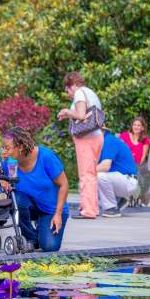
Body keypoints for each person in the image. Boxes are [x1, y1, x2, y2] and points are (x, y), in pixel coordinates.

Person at [2, 127, 69, 252]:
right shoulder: (10, 162)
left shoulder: (46, 157)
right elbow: (5, 180)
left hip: (52, 209)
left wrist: (58, 214)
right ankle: (31, 237)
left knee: (49, 246)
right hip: (30, 206)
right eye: (3, 148)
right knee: (15, 198)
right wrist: (3, 180)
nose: (4, 152)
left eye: (7, 148)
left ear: (21, 146)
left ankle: (42, 227)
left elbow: (64, 185)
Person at [57, 71, 103, 219]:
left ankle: (88, 211)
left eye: (68, 88)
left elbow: (81, 115)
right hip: (96, 137)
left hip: (86, 139)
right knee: (91, 174)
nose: (68, 92)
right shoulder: (90, 92)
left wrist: (66, 111)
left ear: (73, 85)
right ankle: (92, 208)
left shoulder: (79, 93)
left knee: (86, 175)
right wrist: (70, 113)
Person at [97, 129, 139, 218]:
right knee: (88, 182)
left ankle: (111, 208)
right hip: (122, 180)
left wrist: (85, 172)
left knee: (99, 176)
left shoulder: (109, 140)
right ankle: (120, 199)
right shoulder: (102, 141)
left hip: (129, 181)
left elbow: (105, 166)